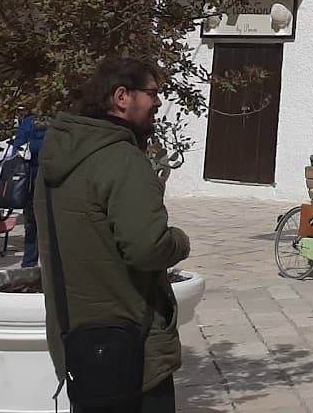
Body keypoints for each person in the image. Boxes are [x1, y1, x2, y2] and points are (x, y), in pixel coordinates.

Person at [38, 58, 191, 412]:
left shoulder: (57, 155)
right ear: (122, 96)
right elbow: (148, 247)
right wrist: (180, 242)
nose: (158, 103)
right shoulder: (122, 159)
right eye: (152, 93)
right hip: (130, 337)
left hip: (75, 334)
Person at [13, 113, 47, 268]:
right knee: (33, 225)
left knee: (33, 225)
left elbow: (18, 147)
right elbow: (17, 148)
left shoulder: (29, 122)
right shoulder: (30, 122)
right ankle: (30, 263)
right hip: (36, 180)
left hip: (37, 180)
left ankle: (30, 263)